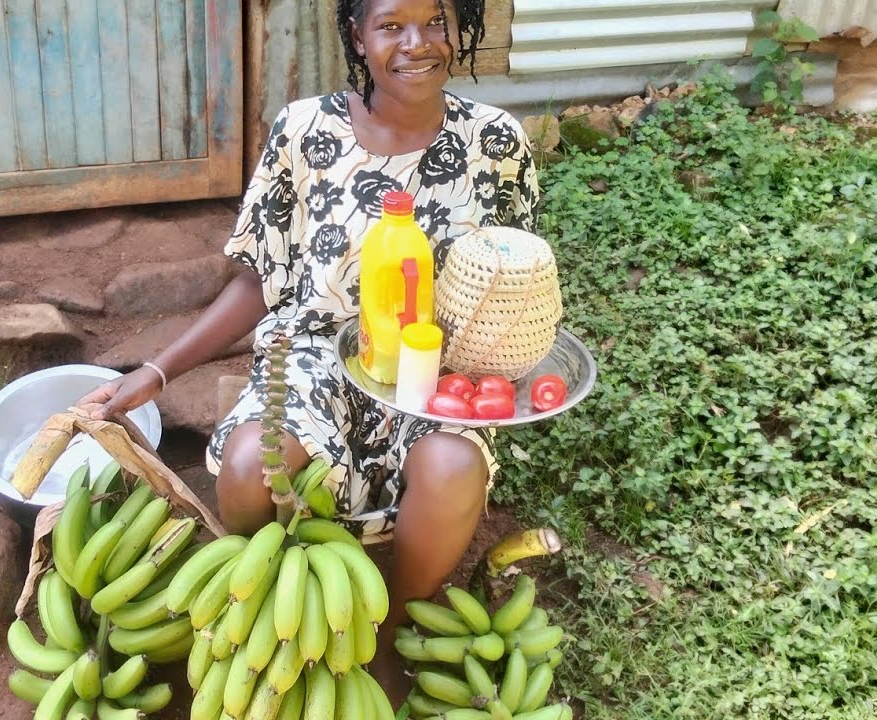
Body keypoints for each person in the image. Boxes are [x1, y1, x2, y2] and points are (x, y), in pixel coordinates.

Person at [78, 0, 538, 696]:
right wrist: (157, 370)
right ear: (357, 34)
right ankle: (281, 602)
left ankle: (388, 627)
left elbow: (515, 278)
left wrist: (508, 366)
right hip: (314, 350)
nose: (418, 43)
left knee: (450, 469)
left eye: (436, 20)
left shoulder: (495, 142)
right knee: (248, 467)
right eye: (391, 25)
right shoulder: (305, 129)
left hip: (434, 361)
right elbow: (259, 279)